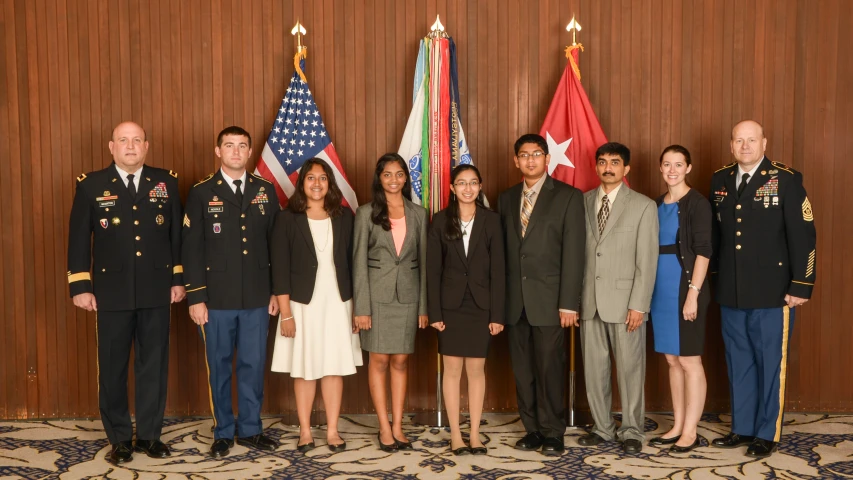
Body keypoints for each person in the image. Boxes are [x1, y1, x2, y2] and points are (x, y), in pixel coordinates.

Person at [67, 121, 184, 465]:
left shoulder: (166, 182)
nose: (130, 146)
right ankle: (119, 438)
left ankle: (149, 436)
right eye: (123, 140)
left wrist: (178, 280)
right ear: (111, 147)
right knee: (114, 368)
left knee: (153, 366)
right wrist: (80, 286)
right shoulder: (91, 186)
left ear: (146, 146)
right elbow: (77, 240)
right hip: (110, 293)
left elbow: (176, 237)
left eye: (136, 140)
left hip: (156, 290)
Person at [709, 120, 816, 458]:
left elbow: (804, 236)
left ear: (764, 142)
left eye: (751, 140)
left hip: (774, 292)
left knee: (771, 363)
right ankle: (742, 428)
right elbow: (716, 236)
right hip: (731, 290)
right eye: (739, 140)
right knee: (738, 361)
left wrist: (801, 284)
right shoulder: (719, 179)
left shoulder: (786, 180)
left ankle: (766, 434)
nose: (745, 146)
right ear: (731, 145)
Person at [182, 126, 280, 458]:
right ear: (217, 151)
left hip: (256, 297)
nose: (235, 151)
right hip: (216, 301)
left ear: (250, 152)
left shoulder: (266, 190)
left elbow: (275, 247)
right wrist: (195, 296)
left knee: (253, 365)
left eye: (241, 146)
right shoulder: (200, 192)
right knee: (219, 366)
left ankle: (251, 428)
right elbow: (191, 249)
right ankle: (223, 430)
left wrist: (276, 293)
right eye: (229, 145)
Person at [497, 133, 585, 457]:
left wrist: (568, 303)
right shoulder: (505, 199)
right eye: (524, 154)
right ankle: (532, 429)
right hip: (514, 301)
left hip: (550, 301)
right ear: (516, 160)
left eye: (537, 154)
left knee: (550, 369)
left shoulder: (568, 196)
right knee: (523, 370)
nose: (530, 160)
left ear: (547, 159)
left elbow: (575, 254)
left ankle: (553, 432)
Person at [269, 158, 362, 454]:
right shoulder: (287, 218)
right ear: (302, 184)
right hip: (301, 305)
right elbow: (279, 270)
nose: (317, 184)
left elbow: (355, 265)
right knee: (305, 369)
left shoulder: (345, 217)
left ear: (330, 184)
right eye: (311, 178)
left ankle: (333, 431)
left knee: (333, 367)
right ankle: (306, 430)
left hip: (338, 302)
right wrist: (286, 314)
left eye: (323, 178)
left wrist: (358, 307)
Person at [577, 142, 659, 455]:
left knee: (629, 370)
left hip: (627, 305)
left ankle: (632, 430)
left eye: (614, 162)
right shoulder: (582, 202)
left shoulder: (642, 205)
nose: (607, 167)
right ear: (595, 167)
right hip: (590, 301)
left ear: (626, 169)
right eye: (602, 162)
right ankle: (602, 427)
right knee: (594, 370)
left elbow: (647, 260)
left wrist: (639, 304)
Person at [427, 164, 506, 456]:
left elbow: (499, 271)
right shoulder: (439, 221)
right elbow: (432, 271)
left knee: (476, 370)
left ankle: (474, 434)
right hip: (450, 308)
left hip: (481, 306)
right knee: (451, 370)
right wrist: (434, 313)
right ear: (452, 188)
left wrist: (497, 314)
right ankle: (456, 436)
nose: (468, 188)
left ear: (480, 186)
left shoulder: (492, 221)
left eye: (473, 183)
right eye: (461, 183)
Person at [353, 153, 429, 453]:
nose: (394, 180)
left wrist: (424, 307)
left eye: (400, 174)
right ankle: (383, 427)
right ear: (379, 178)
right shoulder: (366, 213)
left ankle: (398, 425)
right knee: (380, 360)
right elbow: (358, 263)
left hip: (408, 299)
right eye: (388, 174)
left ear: (406, 178)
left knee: (400, 360)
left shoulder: (419, 214)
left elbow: (424, 263)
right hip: (376, 298)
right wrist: (361, 308)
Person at [647, 145, 712, 453]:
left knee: (689, 360)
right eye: (667, 164)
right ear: (660, 168)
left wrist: (693, 295)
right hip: (660, 290)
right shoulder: (656, 204)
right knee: (672, 359)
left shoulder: (697, 203)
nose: (672, 170)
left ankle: (691, 430)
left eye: (678, 164)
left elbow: (703, 252)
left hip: (685, 288)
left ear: (688, 167)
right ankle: (677, 423)